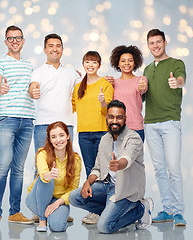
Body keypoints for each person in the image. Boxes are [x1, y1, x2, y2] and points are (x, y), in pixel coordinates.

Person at [69, 100, 153, 234]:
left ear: (125, 118)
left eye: (119, 117)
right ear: (107, 118)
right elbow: (97, 168)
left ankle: (140, 209)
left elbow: (127, 158)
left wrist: (118, 164)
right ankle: (111, 212)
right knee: (74, 197)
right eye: (111, 117)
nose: (115, 121)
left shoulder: (134, 138)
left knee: (104, 227)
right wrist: (87, 182)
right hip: (107, 185)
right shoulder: (105, 139)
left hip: (126, 190)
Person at [0, 25, 35, 228]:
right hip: (6, 118)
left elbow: (37, 85)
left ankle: (14, 212)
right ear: (5, 42)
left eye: (18, 38)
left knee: (18, 169)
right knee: (2, 166)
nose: (15, 41)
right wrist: (0, 88)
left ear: (23, 41)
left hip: (27, 120)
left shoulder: (30, 65)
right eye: (10, 38)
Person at [143, 29, 186, 226]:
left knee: (173, 168)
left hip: (170, 121)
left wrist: (176, 83)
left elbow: (181, 79)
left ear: (165, 42)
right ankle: (167, 210)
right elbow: (142, 95)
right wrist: (140, 89)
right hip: (150, 123)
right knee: (159, 169)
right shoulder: (147, 69)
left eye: (158, 42)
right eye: (152, 43)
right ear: (148, 46)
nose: (155, 46)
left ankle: (178, 212)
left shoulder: (176, 64)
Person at [72, 50, 113, 224]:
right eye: (87, 62)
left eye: (94, 62)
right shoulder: (78, 87)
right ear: (83, 65)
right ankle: (95, 210)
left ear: (99, 65)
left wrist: (103, 101)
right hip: (84, 134)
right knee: (91, 172)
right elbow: (72, 107)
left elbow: (108, 110)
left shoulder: (106, 83)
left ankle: (107, 207)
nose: (90, 65)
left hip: (103, 133)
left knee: (105, 172)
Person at [25, 121, 82, 232]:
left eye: (61, 135)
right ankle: (42, 219)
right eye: (53, 137)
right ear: (50, 140)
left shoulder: (76, 159)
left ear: (68, 136)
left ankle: (54, 216)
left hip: (58, 199)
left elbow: (73, 188)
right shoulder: (42, 154)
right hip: (36, 199)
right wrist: (49, 175)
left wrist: (57, 203)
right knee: (46, 179)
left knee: (57, 227)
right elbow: (43, 173)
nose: (58, 140)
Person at [29, 33, 80, 153]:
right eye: (51, 46)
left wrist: (106, 81)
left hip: (66, 125)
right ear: (45, 50)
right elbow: (33, 86)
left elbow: (86, 86)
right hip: (43, 125)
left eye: (58, 46)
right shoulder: (37, 72)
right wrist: (33, 91)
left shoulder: (72, 73)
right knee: (41, 166)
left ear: (62, 49)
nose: (55, 49)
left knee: (67, 165)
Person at [109, 45, 148, 142]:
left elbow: (142, 88)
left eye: (130, 60)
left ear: (135, 63)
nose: (127, 63)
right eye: (123, 61)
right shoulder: (113, 83)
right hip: (117, 129)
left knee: (135, 157)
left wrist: (142, 87)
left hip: (136, 129)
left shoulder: (140, 80)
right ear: (117, 64)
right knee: (118, 157)